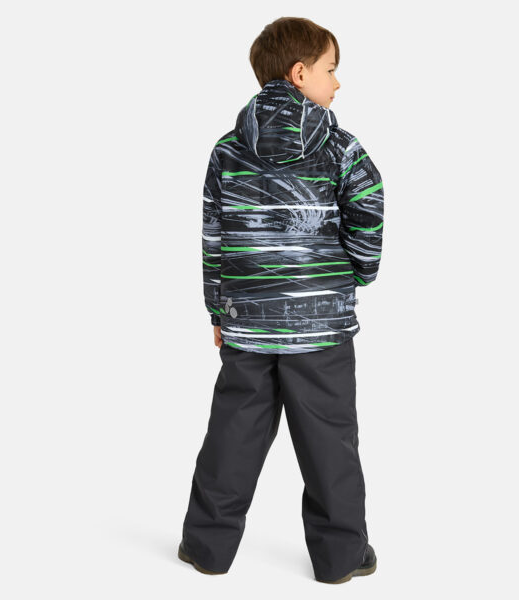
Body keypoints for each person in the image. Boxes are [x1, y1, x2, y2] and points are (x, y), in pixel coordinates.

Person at [178, 16, 384, 584]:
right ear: (299, 73)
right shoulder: (341, 148)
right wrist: (358, 273)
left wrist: (217, 308)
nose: (337, 82)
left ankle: (206, 548)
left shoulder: (227, 150)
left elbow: (214, 236)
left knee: (233, 432)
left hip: (246, 322)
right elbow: (369, 208)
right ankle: (340, 557)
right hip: (320, 326)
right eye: (330, 69)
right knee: (329, 439)